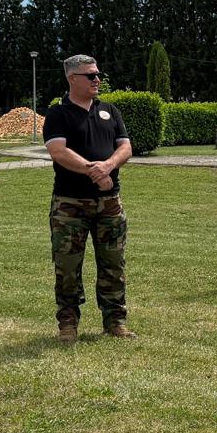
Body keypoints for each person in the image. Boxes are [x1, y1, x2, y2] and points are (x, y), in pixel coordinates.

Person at [42, 54, 134, 343]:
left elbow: (125, 147)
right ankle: (68, 324)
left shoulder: (110, 111)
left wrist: (108, 166)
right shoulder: (58, 114)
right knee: (67, 267)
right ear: (72, 78)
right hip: (70, 204)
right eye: (90, 75)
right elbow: (58, 151)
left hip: (109, 203)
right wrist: (93, 171)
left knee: (114, 264)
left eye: (98, 74)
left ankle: (115, 321)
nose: (97, 80)